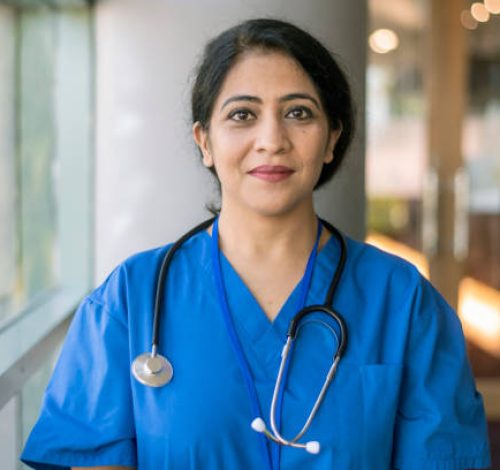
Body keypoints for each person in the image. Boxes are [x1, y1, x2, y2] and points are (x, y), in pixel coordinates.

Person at [21, 18, 491, 470]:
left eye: (299, 113)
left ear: (331, 140)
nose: (272, 140)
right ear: (204, 140)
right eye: (242, 114)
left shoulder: (403, 301)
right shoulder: (129, 300)